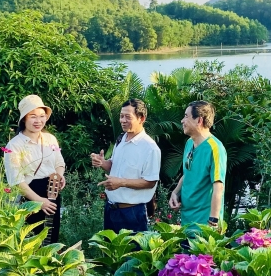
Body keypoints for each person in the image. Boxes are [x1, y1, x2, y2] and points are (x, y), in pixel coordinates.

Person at [90, 98, 161, 232]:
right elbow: (114, 166)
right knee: (110, 252)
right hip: (111, 209)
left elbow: (151, 181)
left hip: (132, 212)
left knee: (132, 253)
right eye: (121, 116)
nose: (122, 120)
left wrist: (121, 182)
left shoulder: (150, 148)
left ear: (141, 118)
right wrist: (102, 163)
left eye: (127, 117)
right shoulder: (121, 139)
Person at [3, 94, 66, 243]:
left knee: (51, 239)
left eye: (42, 116)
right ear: (24, 118)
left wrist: (59, 176)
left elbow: (59, 162)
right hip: (31, 195)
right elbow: (17, 181)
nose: (38, 121)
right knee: (33, 240)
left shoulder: (50, 139)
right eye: (33, 116)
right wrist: (38, 201)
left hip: (53, 191)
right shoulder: (14, 145)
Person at [169, 100, 226, 230]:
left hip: (203, 225)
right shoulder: (189, 143)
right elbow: (188, 173)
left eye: (186, 116)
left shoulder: (215, 148)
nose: (182, 120)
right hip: (186, 221)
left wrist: (213, 222)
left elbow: (218, 187)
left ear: (199, 120)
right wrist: (175, 192)